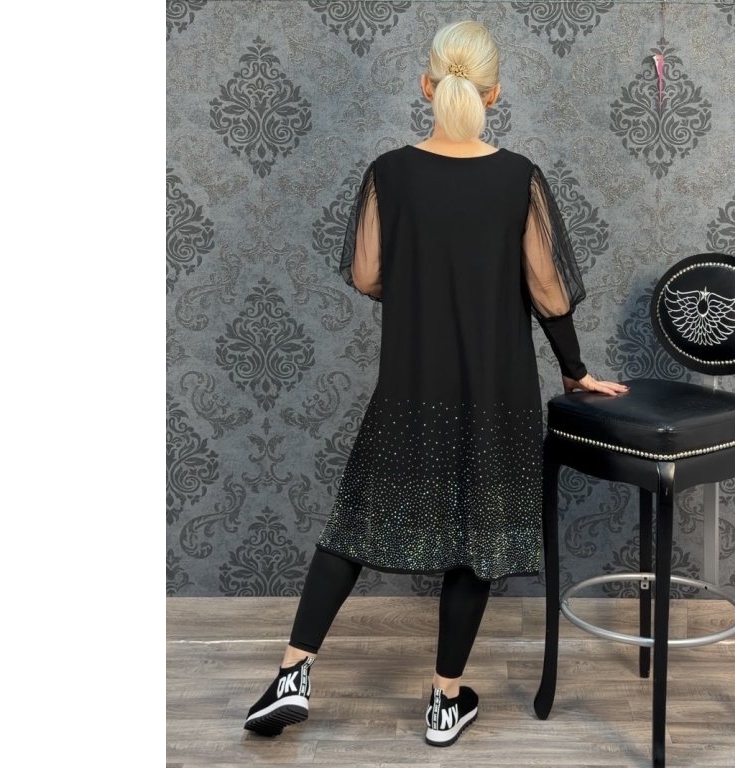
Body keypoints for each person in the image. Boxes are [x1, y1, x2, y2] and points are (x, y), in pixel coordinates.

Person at [243, 19, 629, 747]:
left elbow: (367, 275)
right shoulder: (519, 177)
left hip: (410, 387)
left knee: (354, 524)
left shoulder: (389, 173)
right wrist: (576, 371)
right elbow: (548, 291)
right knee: (478, 537)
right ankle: (445, 702)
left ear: (426, 85)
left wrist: (425, 277)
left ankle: (292, 673)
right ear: (494, 94)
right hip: (496, 393)